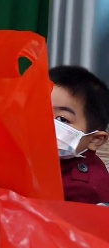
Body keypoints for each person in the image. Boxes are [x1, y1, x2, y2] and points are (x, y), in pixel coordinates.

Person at [50, 65, 109, 204]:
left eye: (62, 119)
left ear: (95, 140)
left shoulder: (85, 190)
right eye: (40, 109)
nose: (44, 122)